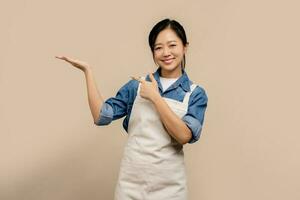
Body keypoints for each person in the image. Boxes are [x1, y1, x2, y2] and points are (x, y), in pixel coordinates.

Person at [56, 18, 208, 200]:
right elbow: (100, 116)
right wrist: (87, 71)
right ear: (152, 52)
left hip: (170, 189)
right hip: (131, 185)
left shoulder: (195, 94)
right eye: (158, 47)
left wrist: (155, 97)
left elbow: (184, 135)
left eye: (172, 45)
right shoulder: (136, 86)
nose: (166, 52)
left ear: (185, 47)